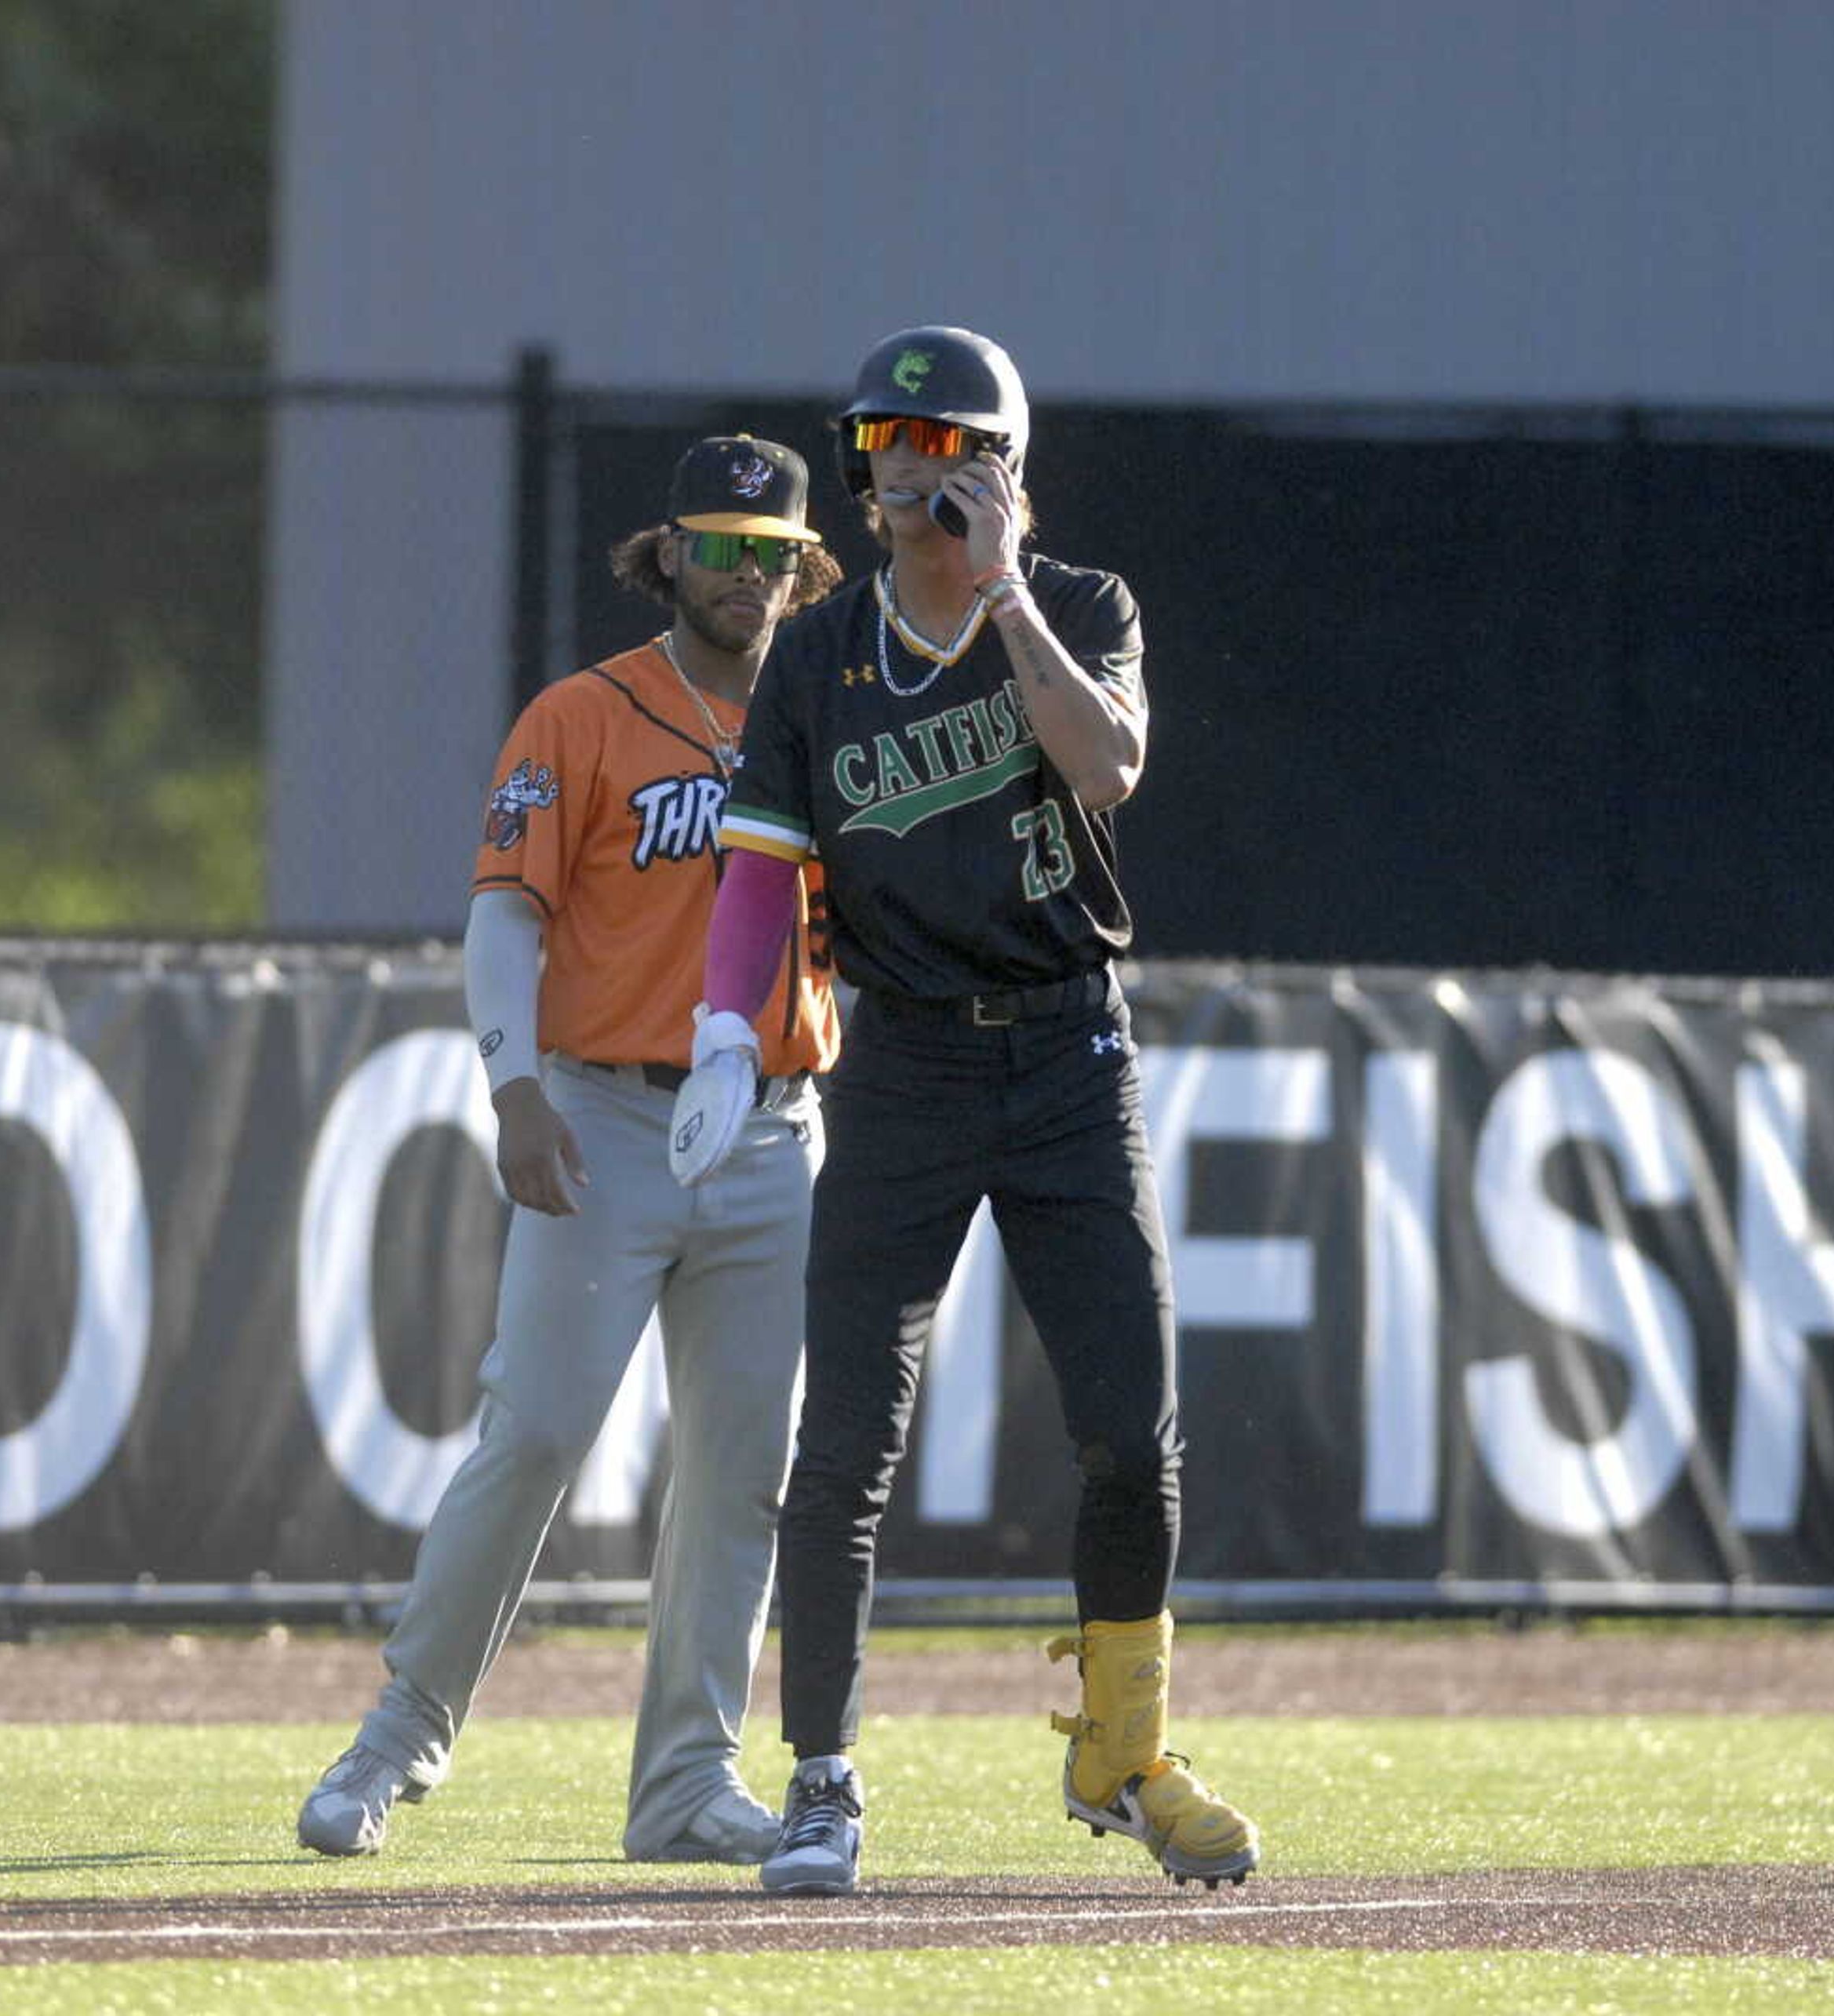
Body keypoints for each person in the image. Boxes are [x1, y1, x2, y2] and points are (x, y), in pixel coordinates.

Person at [668, 329, 1258, 1895]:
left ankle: (1122, 1752)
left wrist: (1002, 595)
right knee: (847, 1438)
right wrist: (730, 1027)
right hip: (909, 1065)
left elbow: (1110, 765)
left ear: (1004, 469)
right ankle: (821, 1777)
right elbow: (764, 864)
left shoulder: (1076, 608)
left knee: (1131, 1429)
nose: (914, 475)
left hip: (1070, 1054)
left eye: (949, 448)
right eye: (892, 447)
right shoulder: (817, 652)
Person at [296, 435, 845, 1861]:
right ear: (666, 553)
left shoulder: (829, 714)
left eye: (774, 548)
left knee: (744, 1464)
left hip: (775, 1122)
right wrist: (513, 1083)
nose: (749, 571)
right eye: (721, 543)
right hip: (604, 1110)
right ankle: (403, 1729)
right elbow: (506, 915)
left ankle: (683, 1780)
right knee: (536, 1424)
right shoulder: (584, 714)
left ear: (806, 563)